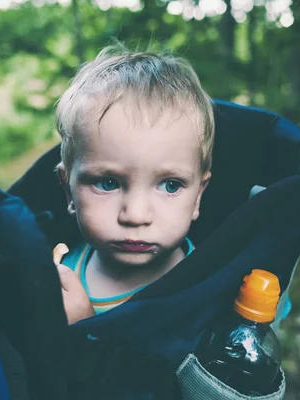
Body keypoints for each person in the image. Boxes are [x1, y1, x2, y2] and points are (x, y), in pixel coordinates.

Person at [52, 44, 214, 325]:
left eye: (170, 185)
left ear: (198, 196)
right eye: (107, 183)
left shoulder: (205, 292)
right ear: (68, 190)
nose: (136, 216)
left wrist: (84, 330)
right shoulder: (62, 270)